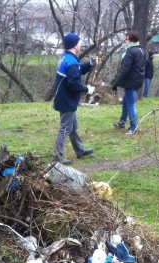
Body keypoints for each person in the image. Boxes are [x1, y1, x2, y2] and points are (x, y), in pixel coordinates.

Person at [52, 32, 95, 165]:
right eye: (79, 42)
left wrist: (89, 65)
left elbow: (77, 70)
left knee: (73, 126)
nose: (80, 44)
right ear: (74, 44)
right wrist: (87, 89)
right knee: (65, 128)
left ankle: (80, 150)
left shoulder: (67, 57)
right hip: (66, 100)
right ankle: (57, 157)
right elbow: (73, 83)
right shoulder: (70, 61)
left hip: (64, 98)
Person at [112, 32, 145, 134]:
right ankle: (122, 122)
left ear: (131, 40)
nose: (125, 41)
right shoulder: (140, 50)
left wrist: (116, 83)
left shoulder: (130, 51)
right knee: (126, 103)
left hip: (131, 82)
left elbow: (125, 69)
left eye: (126, 39)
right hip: (137, 81)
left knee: (131, 105)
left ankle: (133, 127)